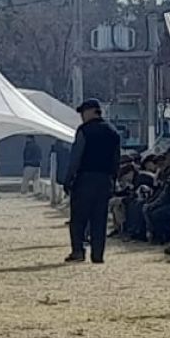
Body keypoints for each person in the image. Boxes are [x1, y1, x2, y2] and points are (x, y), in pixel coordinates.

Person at [62, 99, 121, 264]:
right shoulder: (113, 132)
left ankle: (78, 251)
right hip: (105, 180)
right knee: (99, 219)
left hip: (85, 179)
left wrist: (68, 180)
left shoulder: (84, 131)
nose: (81, 116)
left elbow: (76, 157)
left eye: (83, 112)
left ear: (92, 111)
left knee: (79, 218)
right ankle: (98, 255)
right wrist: (113, 181)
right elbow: (116, 160)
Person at [47, 138, 71, 207]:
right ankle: (60, 199)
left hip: (56, 170)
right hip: (64, 170)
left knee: (55, 185)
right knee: (62, 186)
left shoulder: (53, 150)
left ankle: (55, 200)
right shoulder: (66, 151)